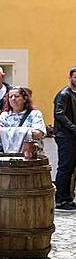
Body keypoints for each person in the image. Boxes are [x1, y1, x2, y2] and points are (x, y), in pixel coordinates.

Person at [0, 86, 46, 156]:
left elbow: (38, 134)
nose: (13, 99)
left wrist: (7, 131)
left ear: (24, 99)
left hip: (30, 155)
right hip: (7, 155)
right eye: (10, 97)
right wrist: (26, 132)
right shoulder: (4, 116)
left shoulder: (35, 114)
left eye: (17, 96)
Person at [53, 67, 76, 211]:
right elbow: (59, 114)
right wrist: (74, 128)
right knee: (65, 168)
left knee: (71, 168)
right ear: (70, 77)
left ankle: (68, 198)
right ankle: (61, 200)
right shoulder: (64, 94)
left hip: (72, 136)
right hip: (65, 136)